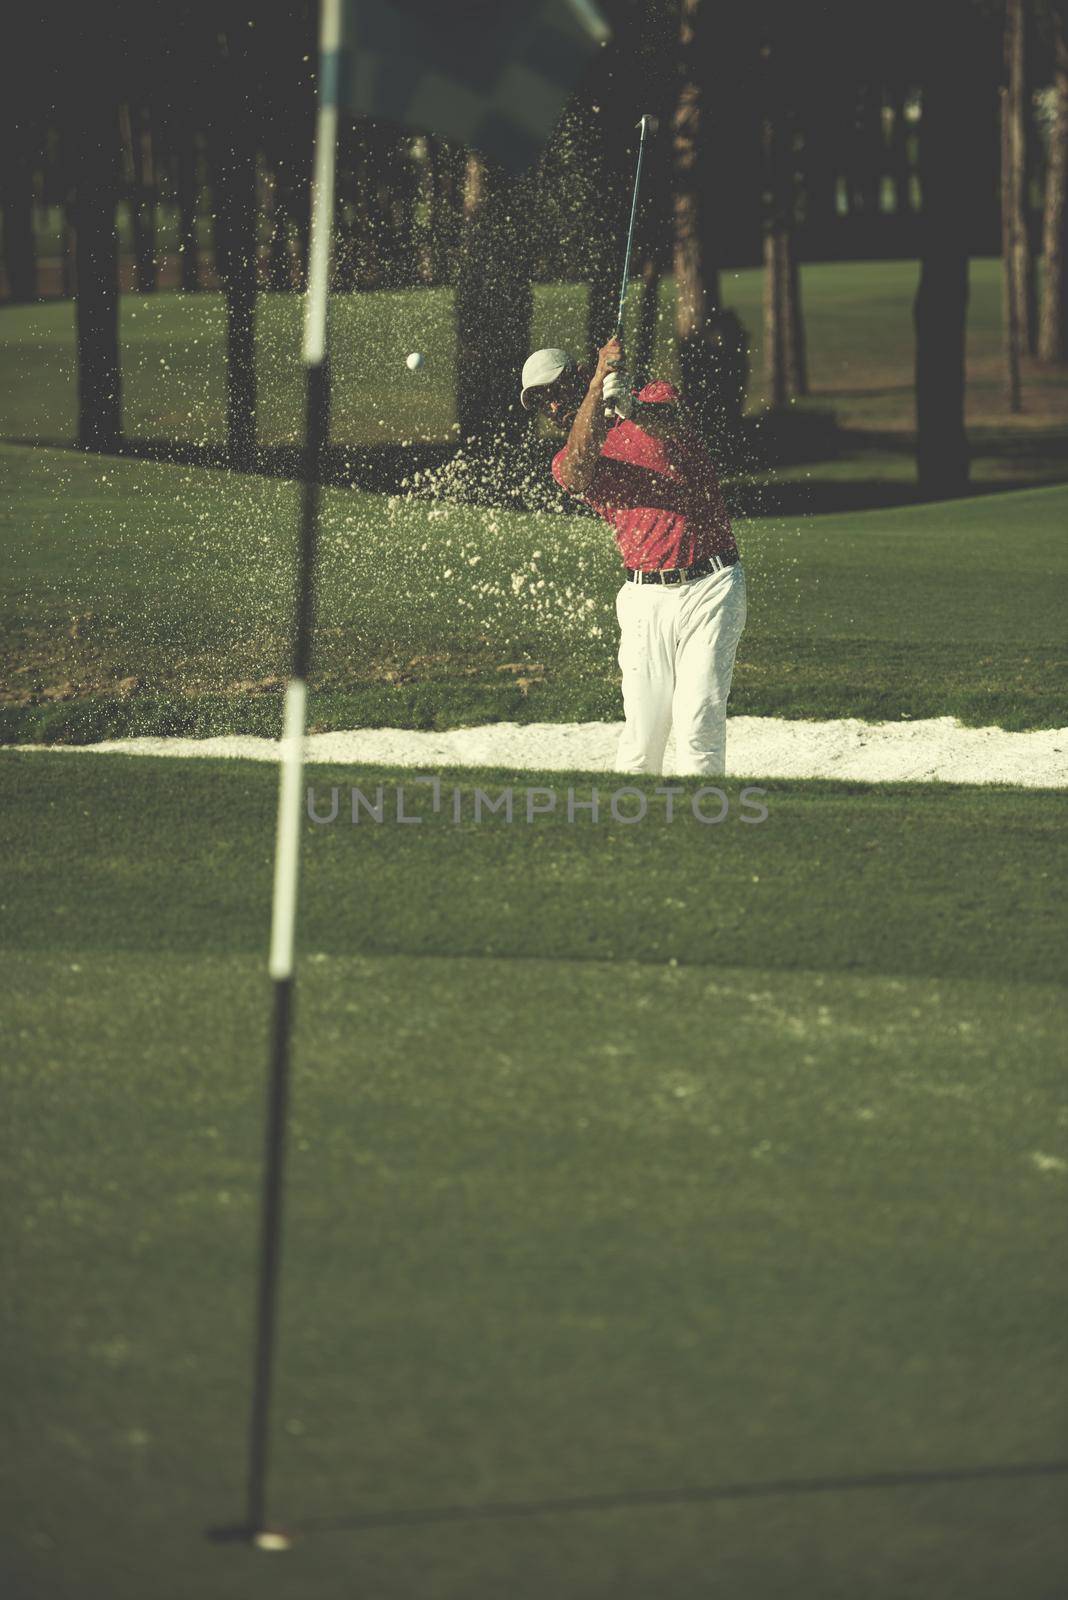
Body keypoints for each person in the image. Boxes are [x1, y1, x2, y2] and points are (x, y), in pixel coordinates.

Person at [520, 338, 747, 777]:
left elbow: (676, 425)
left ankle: (702, 835)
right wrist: (597, 391)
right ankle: (635, 838)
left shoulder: (654, 398)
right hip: (644, 599)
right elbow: (578, 471)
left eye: (553, 392)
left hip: (712, 586)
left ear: (577, 376)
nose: (549, 408)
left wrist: (631, 408)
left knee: (698, 722)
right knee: (641, 741)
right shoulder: (567, 458)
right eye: (539, 403)